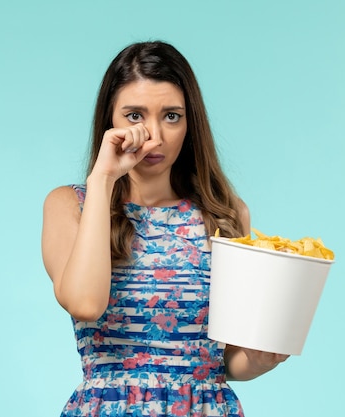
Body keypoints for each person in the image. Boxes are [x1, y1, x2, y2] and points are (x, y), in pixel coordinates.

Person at [41, 40, 289, 417]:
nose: (154, 135)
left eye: (171, 115)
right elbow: (85, 304)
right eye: (135, 116)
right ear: (110, 121)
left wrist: (259, 359)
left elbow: (225, 360)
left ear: (191, 123)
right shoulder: (70, 205)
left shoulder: (226, 214)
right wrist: (104, 178)